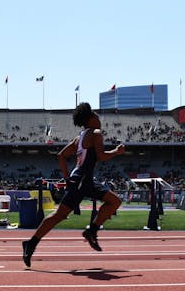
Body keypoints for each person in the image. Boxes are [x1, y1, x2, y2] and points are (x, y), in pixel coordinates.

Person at [22, 102, 125, 268]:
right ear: (91, 118)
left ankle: (92, 231)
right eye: (96, 114)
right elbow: (101, 156)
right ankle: (31, 243)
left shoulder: (80, 136)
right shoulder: (96, 133)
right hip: (82, 180)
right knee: (59, 215)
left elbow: (61, 156)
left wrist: (67, 177)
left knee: (115, 201)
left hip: (85, 179)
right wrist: (117, 152)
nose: (99, 117)